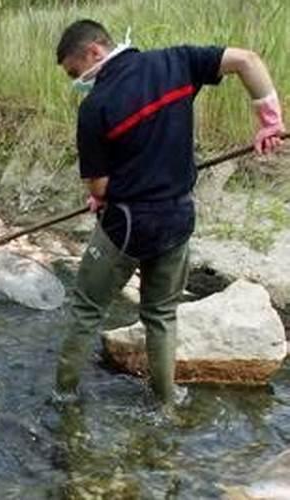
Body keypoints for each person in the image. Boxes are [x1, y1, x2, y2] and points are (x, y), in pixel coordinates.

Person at [53, 20, 285, 404]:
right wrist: (270, 122)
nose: (78, 81)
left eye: (76, 73)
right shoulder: (175, 62)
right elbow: (248, 60)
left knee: (86, 311)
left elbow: (98, 188)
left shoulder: (95, 107)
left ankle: (63, 399)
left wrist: (102, 194)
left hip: (126, 226)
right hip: (177, 221)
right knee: (161, 317)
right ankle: (166, 402)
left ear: (95, 52)